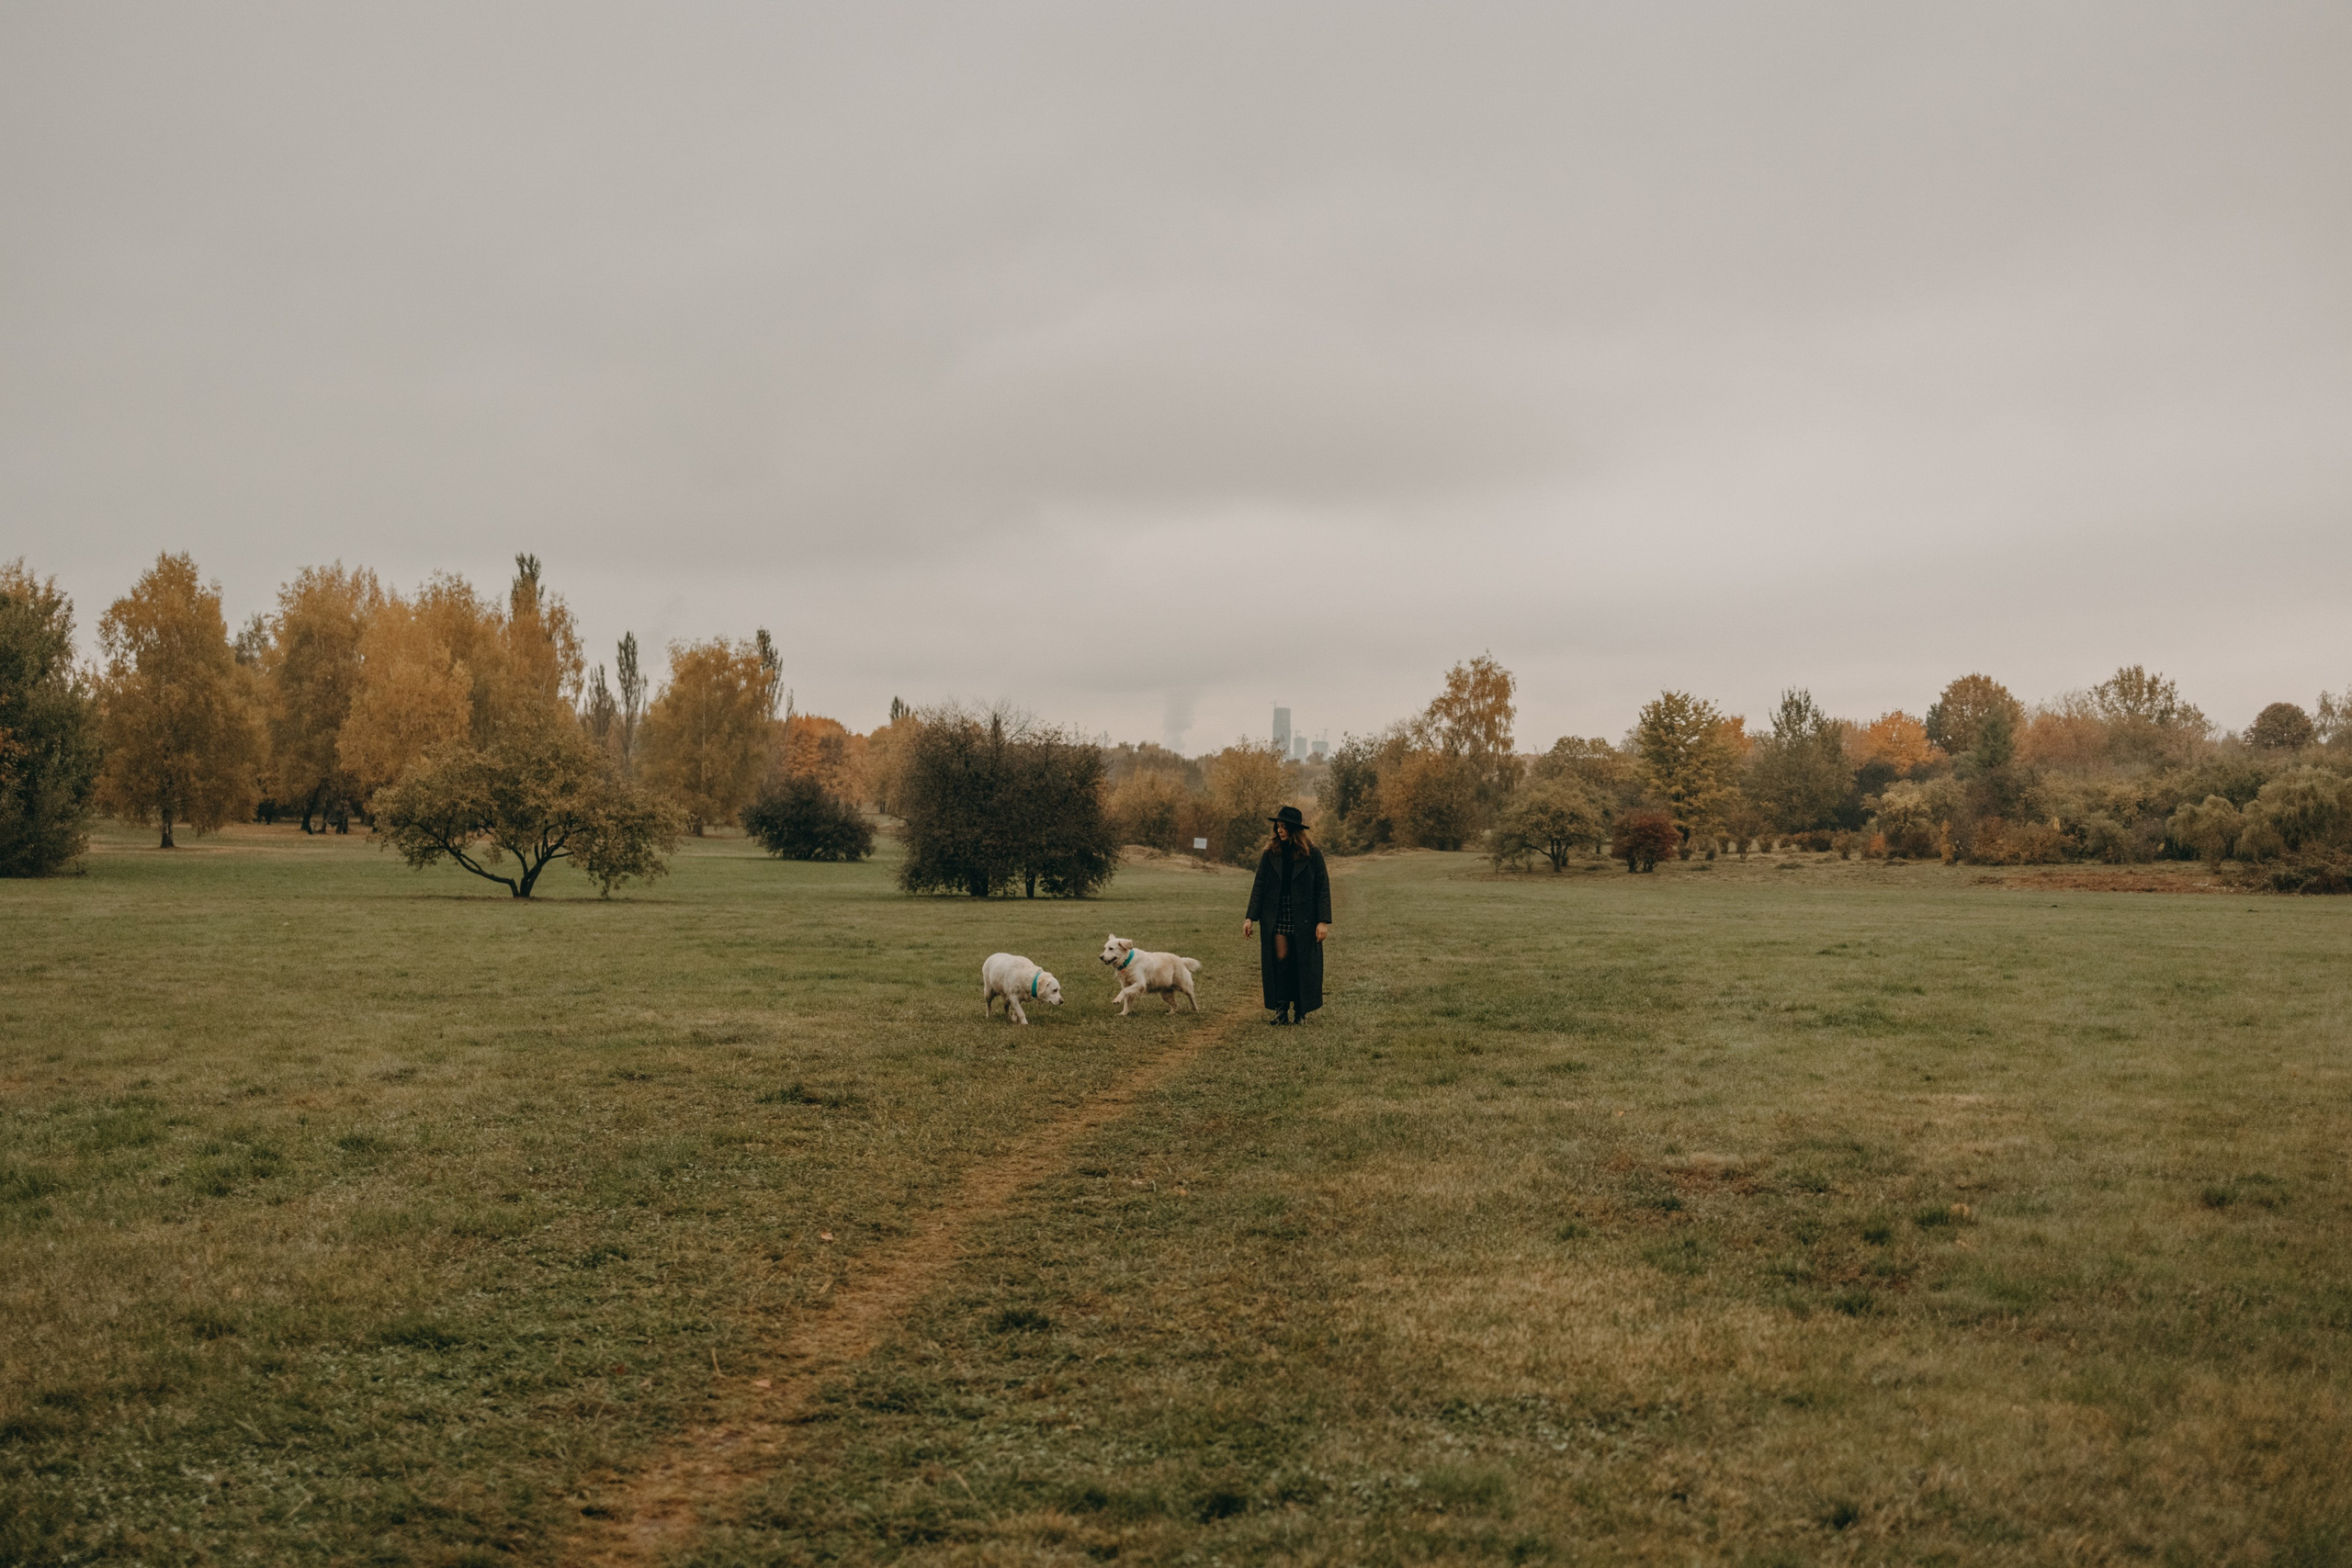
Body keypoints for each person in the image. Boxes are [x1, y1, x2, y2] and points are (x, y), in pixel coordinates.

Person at [1243, 805, 1332, 1024]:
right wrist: (1250, 917)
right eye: (1278, 826)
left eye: (1283, 826)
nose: (1279, 830)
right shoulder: (1270, 853)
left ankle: (1300, 1011)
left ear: (1294, 829)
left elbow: (1322, 888)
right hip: (1276, 914)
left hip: (1305, 916)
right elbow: (1259, 885)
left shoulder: (1312, 853)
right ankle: (1281, 1010)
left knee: (1301, 961)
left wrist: (1322, 921)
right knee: (1281, 959)